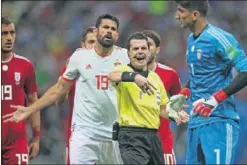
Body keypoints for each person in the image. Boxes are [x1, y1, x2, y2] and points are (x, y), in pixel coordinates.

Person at [3, 14, 130, 164]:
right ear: (96, 31)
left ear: (117, 34)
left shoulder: (125, 57)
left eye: (113, 29)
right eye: (105, 27)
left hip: (114, 136)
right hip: (84, 135)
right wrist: (30, 110)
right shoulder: (79, 59)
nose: (109, 31)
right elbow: (59, 92)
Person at [171, 1, 247, 164]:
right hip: (196, 122)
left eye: (180, 11)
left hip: (219, 120)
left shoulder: (220, 38)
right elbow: (200, 73)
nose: (177, 16)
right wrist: (184, 93)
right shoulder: (191, 39)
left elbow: (245, 70)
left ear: (195, 14)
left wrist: (215, 99)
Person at [108, 32, 189, 165]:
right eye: (135, 49)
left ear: (149, 52)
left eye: (143, 48)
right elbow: (112, 76)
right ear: (128, 53)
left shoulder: (155, 78)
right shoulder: (123, 69)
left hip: (153, 137)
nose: (140, 52)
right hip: (132, 136)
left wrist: (174, 114)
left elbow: (162, 108)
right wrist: (134, 77)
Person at [1, 16, 41, 165]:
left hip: (16, 142)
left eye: (12, 32)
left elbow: (33, 102)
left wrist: (36, 137)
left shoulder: (25, 66)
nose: (9, 38)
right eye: (3, 33)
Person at [57, 26, 97, 164]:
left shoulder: (114, 67)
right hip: (79, 138)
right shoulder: (74, 66)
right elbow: (60, 99)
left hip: (107, 138)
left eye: (98, 42)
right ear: (83, 45)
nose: (94, 47)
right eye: (91, 42)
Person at [143, 30, 182, 165]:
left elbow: (178, 102)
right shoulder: (126, 74)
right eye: (141, 46)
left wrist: (178, 111)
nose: (144, 50)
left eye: (149, 45)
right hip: (135, 145)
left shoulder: (170, 74)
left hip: (162, 144)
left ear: (158, 49)